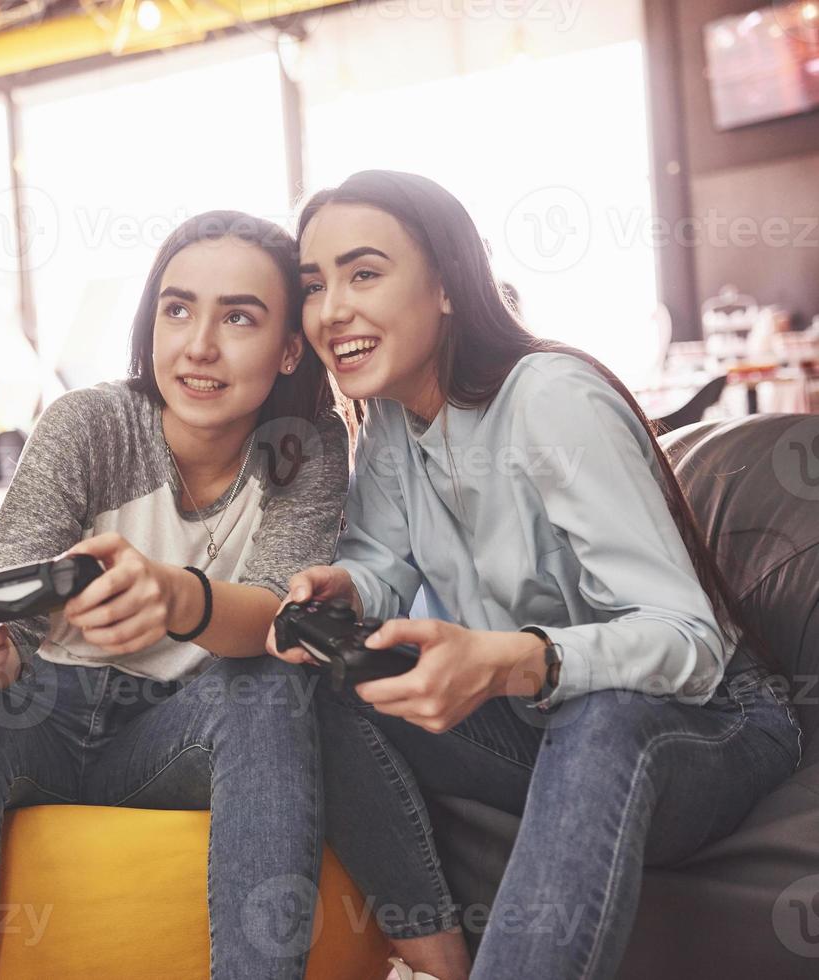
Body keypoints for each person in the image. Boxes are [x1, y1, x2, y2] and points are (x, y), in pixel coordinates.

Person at [272, 170, 802, 980]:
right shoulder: (386, 416)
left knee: (604, 711)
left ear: (447, 286)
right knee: (322, 681)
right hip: (540, 723)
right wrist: (346, 590)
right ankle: (433, 959)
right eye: (315, 284)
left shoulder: (551, 398)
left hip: (710, 722)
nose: (331, 308)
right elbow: (380, 561)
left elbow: (686, 640)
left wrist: (520, 659)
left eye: (364, 273)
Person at [0, 211, 350, 980]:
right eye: (176, 309)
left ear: (289, 346)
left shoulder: (307, 449)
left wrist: (176, 597)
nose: (198, 345)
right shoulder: (89, 426)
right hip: (47, 714)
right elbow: (13, 619)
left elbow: (276, 618)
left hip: (181, 731)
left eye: (238, 317)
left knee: (267, 687)